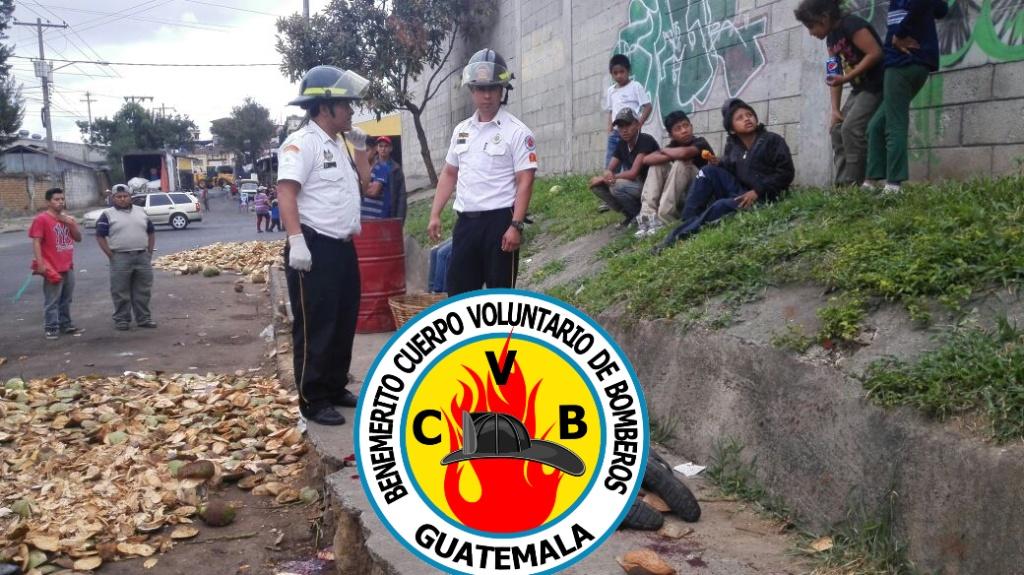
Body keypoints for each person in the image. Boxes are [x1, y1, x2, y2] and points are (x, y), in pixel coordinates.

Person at [277, 64, 372, 426]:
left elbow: (364, 185)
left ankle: (334, 385)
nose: (351, 110)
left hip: (343, 247)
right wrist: (297, 241)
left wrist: (361, 149)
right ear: (324, 108)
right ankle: (312, 398)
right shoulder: (303, 143)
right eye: (345, 104)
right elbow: (286, 192)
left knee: (343, 319)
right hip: (314, 247)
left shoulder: (337, 143)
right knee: (317, 324)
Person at [427, 49, 537, 296]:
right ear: (472, 91)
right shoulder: (461, 131)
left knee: (501, 301)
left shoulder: (517, 132)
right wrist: (435, 214)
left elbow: (525, 181)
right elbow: (449, 173)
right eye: (480, 89)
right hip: (466, 224)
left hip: (500, 224)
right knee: (460, 298)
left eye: (493, 89)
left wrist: (516, 225)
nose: (486, 95)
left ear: (502, 91)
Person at [655, 99, 794, 253]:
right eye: (740, 118)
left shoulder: (772, 140)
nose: (747, 119)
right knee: (707, 172)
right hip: (741, 190)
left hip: (762, 196)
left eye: (749, 115)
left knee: (720, 205)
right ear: (732, 129)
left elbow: (786, 173)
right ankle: (688, 221)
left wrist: (758, 191)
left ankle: (676, 238)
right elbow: (732, 169)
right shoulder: (733, 145)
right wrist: (719, 163)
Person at [795, 0, 884, 187]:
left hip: (877, 85)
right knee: (836, 129)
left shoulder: (852, 24)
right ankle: (843, 186)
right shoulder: (831, 38)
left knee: (851, 128)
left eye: (811, 26)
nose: (811, 33)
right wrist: (834, 110)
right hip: (860, 89)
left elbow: (875, 53)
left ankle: (857, 184)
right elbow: (833, 74)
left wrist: (847, 77)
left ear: (824, 18)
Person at [865, 0, 948, 193]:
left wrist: (900, 34)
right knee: (876, 125)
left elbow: (925, 6)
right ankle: (870, 182)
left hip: (901, 62)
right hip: (919, 63)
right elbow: (941, 10)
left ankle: (893, 184)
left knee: (894, 124)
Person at [634, 110, 715, 238]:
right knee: (657, 165)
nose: (684, 130)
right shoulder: (672, 146)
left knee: (682, 163)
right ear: (671, 135)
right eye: (678, 128)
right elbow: (647, 160)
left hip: (702, 194)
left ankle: (665, 217)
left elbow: (683, 154)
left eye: (686, 125)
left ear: (691, 127)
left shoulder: (700, 142)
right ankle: (648, 217)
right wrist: (667, 152)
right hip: (682, 196)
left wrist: (664, 151)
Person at [95, 184, 157, 330]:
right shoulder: (107, 215)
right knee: (120, 290)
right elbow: (100, 236)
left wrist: (149, 252)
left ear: (130, 197)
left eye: (125, 196)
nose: (122, 199)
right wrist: (110, 254)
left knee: (143, 290)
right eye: (119, 197)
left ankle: (144, 319)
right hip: (120, 257)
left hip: (142, 256)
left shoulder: (141, 212)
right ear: (113, 198)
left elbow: (151, 232)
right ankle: (122, 320)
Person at [588, 108, 660, 228]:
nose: (624, 130)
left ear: (637, 124)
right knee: (597, 186)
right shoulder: (622, 144)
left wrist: (611, 177)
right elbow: (609, 168)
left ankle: (639, 215)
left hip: (651, 186)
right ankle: (630, 214)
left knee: (616, 186)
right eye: (620, 127)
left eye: (627, 125)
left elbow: (633, 173)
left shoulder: (645, 140)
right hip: (636, 185)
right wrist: (606, 175)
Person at [29, 188, 82, 340]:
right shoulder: (41, 219)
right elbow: (36, 242)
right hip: (52, 266)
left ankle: (66, 324)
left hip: (68, 265)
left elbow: (78, 238)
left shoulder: (67, 219)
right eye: (56, 200)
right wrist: (40, 264)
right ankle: (51, 327)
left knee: (67, 298)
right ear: (48, 202)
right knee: (52, 299)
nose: (60, 202)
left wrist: (70, 223)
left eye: (62, 199)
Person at [603, 54, 652, 172]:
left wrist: (639, 123)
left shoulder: (635, 86)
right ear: (611, 74)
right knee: (610, 164)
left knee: (628, 163)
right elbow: (611, 111)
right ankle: (608, 187)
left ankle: (627, 187)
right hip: (615, 133)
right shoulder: (611, 91)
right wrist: (609, 128)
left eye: (622, 72)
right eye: (615, 73)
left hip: (631, 134)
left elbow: (648, 106)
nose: (619, 75)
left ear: (628, 71)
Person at [360, 135, 408, 222]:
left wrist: (400, 219)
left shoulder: (394, 168)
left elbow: (401, 196)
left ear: (391, 148)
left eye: (386, 146)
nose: (383, 149)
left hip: (384, 215)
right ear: (377, 148)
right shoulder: (362, 168)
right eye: (381, 146)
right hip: (362, 219)